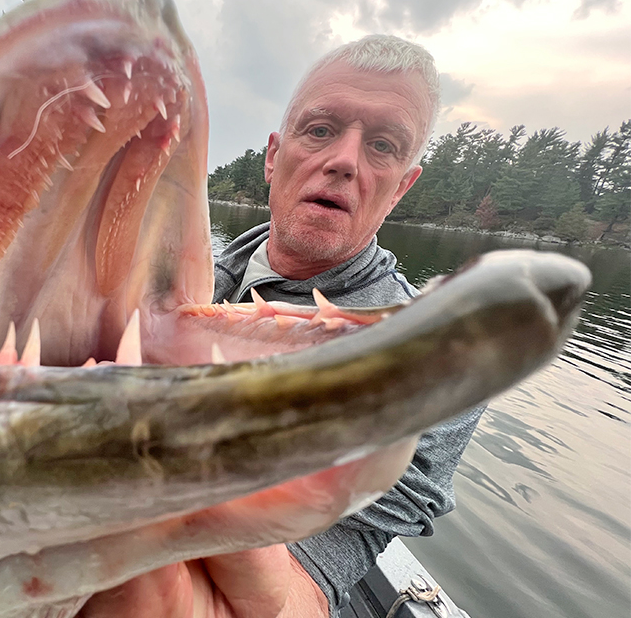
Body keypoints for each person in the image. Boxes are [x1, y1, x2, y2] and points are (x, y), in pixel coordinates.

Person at [80, 35, 483, 618]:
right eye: (320, 129)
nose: (345, 160)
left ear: (401, 187)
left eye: (383, 145)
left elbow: (338, 551)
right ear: (273, 156)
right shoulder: (174, 281)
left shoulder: (439, 359)